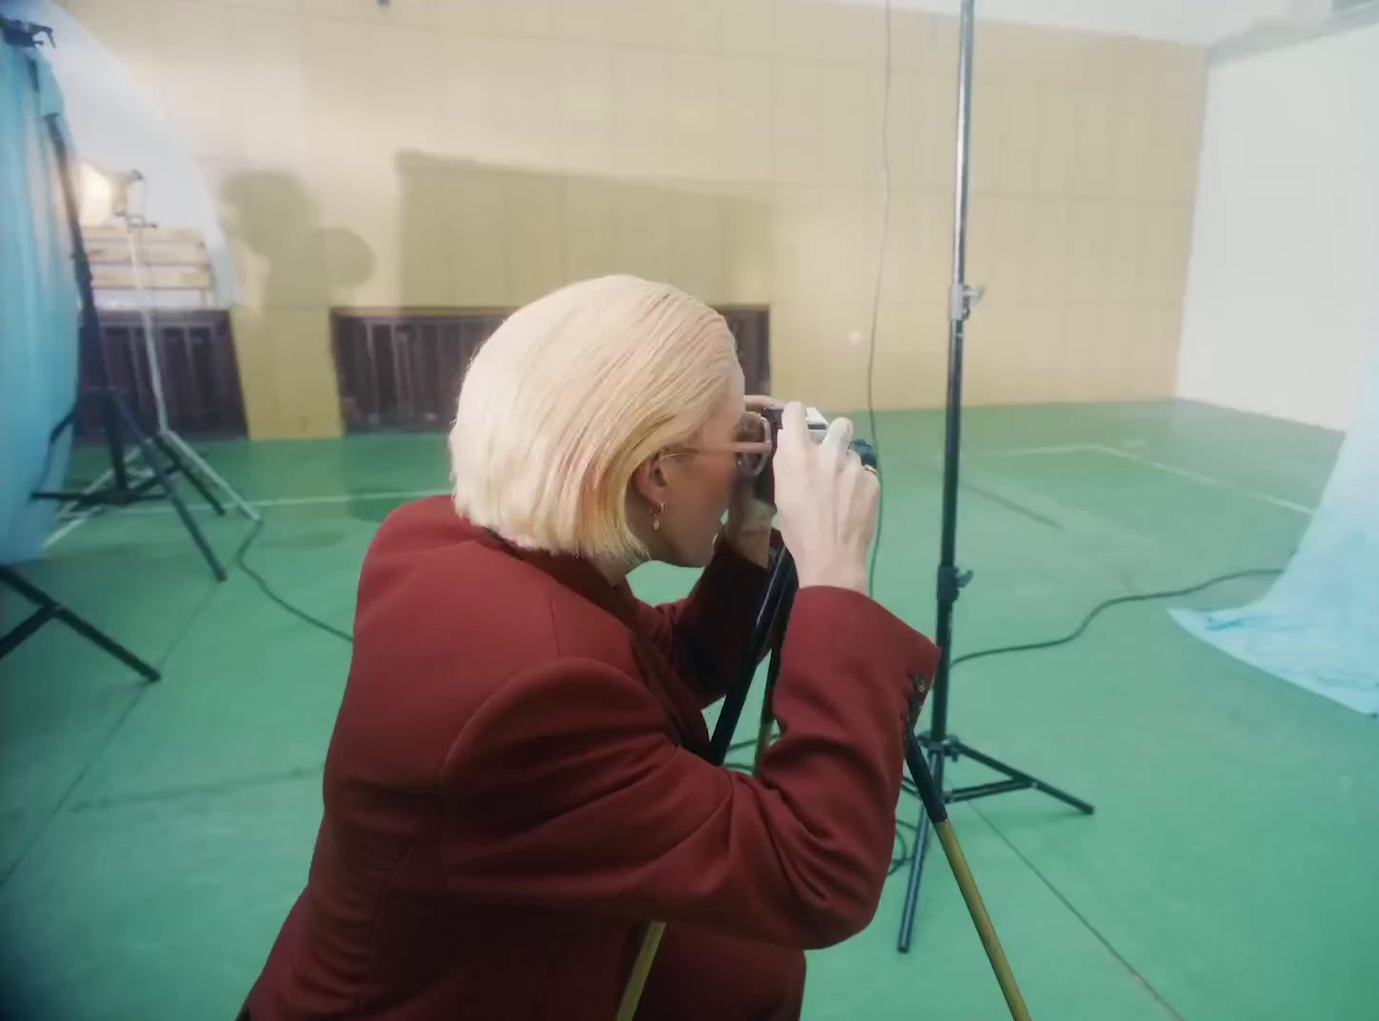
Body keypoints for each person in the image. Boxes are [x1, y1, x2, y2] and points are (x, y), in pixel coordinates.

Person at [241, 276, 939, 1020]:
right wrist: (833, 577)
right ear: (657, 472)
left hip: (500, 940)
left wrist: (746, 536)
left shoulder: (447, 542)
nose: (751, 459)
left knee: (744, 973)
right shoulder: (528, 689)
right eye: (740, 436)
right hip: (433, 1001)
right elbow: (814, 875)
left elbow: (657, 666)